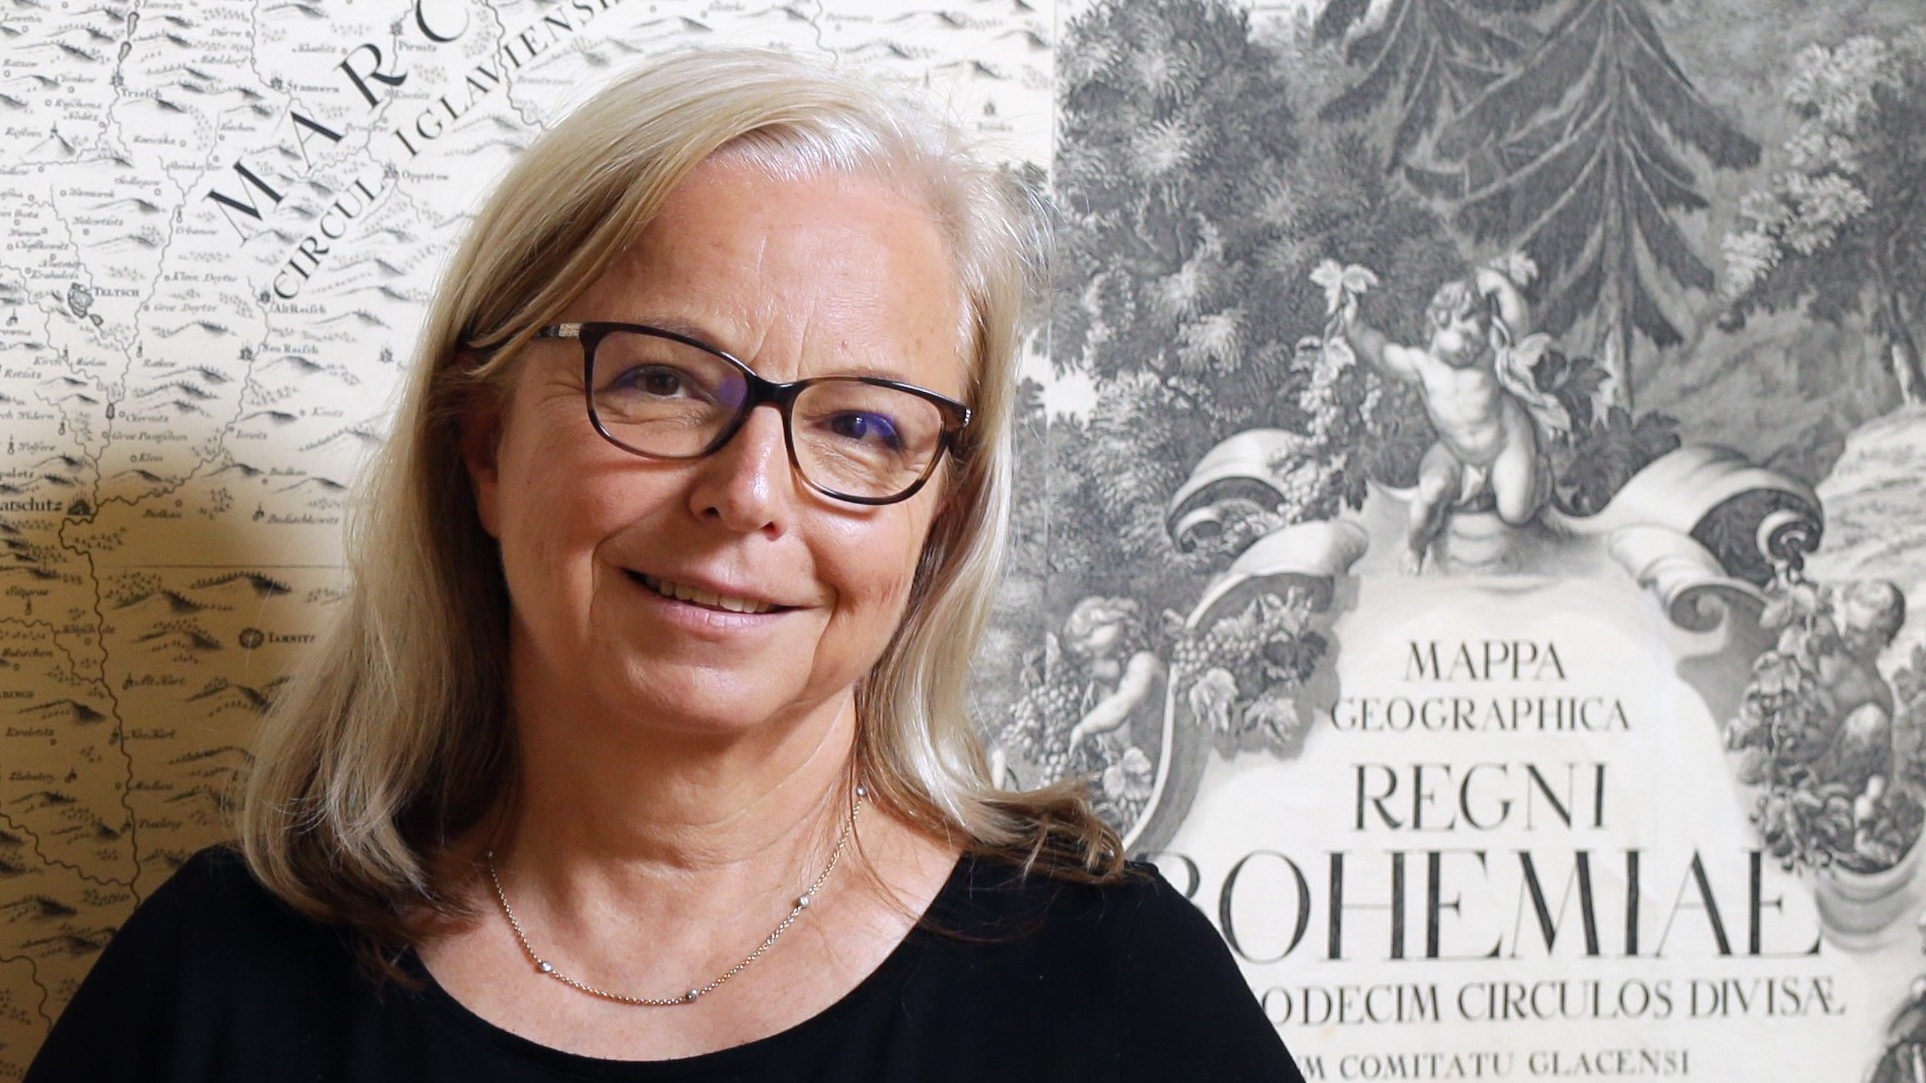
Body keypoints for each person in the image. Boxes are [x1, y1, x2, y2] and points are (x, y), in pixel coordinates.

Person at [26, 49, 1302, 1082]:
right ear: (483, 442)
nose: (748, 493)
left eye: (862, 427)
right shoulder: (214, 984)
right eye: (661, 381)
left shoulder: (1122, 997)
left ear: (938, 524)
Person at [1331, 257, 1566, 573]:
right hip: (1455, 451)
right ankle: (1416, 548)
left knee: (1516, 510)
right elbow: (1381, 353)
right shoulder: (1422, 366)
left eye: (1478, 339)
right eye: (1465, 336)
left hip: (1506, 445)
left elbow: (1516, 324)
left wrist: (1500, 285)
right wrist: (1353, 326)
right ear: (1437, 323)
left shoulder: (1488, 358)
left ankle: (1540, 477)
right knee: (1431, 491)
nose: (1472, 346)